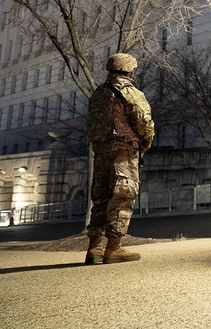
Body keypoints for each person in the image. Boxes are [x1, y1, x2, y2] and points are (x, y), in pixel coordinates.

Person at [84, 53, 155, 264]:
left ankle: (94, 249)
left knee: (101, 196)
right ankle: (114, 248)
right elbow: (143, 121)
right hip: (122, 150)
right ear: (130, 71)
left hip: (101, 150)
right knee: (123, 193)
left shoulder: (98, 94)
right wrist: (146, 141)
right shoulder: (130, 92)